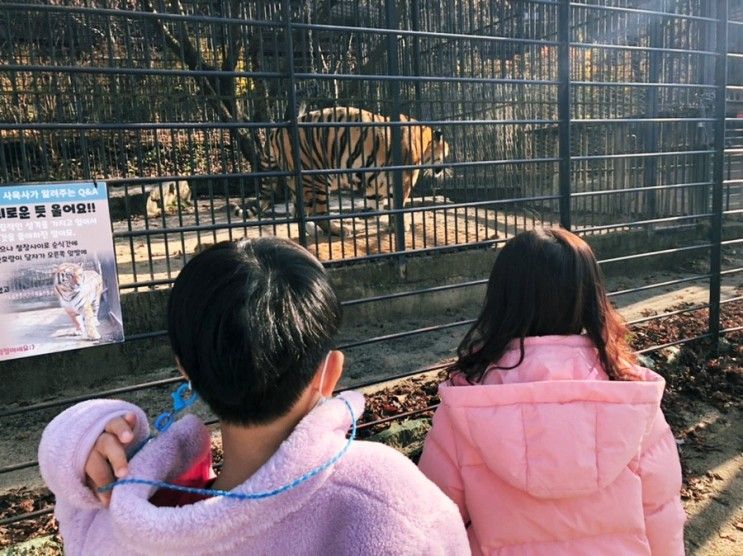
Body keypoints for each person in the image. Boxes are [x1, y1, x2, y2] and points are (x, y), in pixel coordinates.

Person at [39, 237, 469, 555]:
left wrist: (82, 436)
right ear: (331, 372)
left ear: (184, 368)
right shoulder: (386, 497)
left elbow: (77, 507)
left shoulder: (122, 522)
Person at [418, 228, 685, 555]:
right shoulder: (632, 399)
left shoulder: (465, 404)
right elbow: (662, 518)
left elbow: (432, 529)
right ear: (589, 297)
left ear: (501, 299)